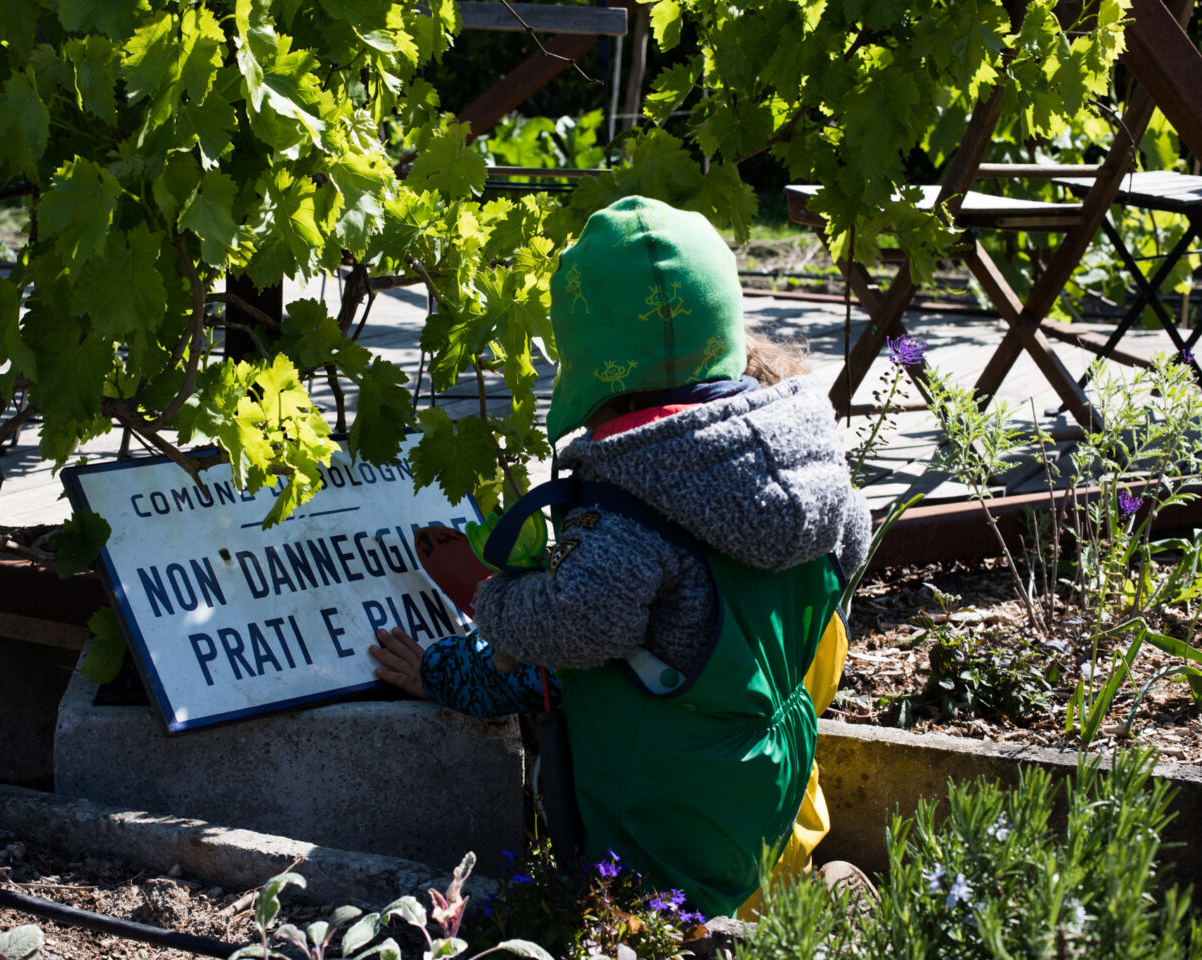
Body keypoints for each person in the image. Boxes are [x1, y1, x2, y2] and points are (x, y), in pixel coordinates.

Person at [369, 195, 872, 919]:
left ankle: (718, 932)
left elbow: (555, 656)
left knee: (605, 717)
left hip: (673, 845)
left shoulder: (632, 519)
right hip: (774, 799)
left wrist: (464, 640)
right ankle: (804, 895)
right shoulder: (804, 474)